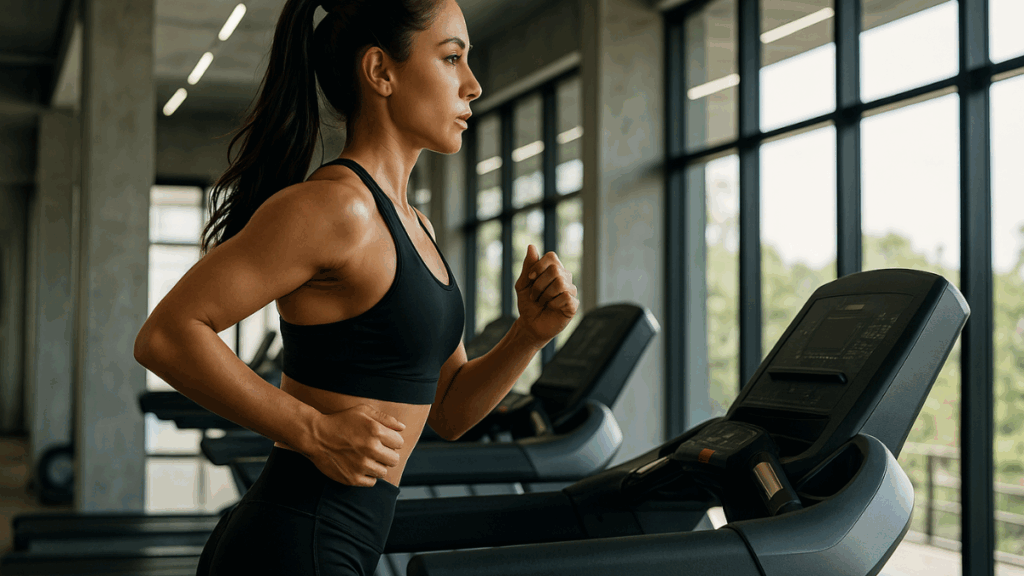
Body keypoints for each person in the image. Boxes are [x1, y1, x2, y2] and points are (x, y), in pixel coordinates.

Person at [132, 0, 579, 574]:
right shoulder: (339, 208)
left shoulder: (415, 225)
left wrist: (529, 335)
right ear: (381, 72)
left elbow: (447, 411)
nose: (472, 84)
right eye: (451, 58)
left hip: (332, 542)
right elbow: (166, 336)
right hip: (298, 542)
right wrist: (313, 431)